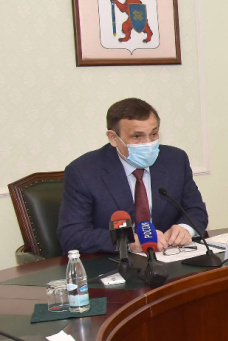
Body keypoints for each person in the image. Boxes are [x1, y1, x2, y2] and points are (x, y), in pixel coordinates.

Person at [57, 98, 209, 254]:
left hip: (168, 256)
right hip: (114, 262)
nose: (148, 143)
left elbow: (195, 210)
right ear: (113, 138)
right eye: (137, 136)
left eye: (153, 134)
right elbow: (71, 235)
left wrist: (185, 228)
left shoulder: (175, 160)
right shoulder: (83, 171)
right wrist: (127, 241)